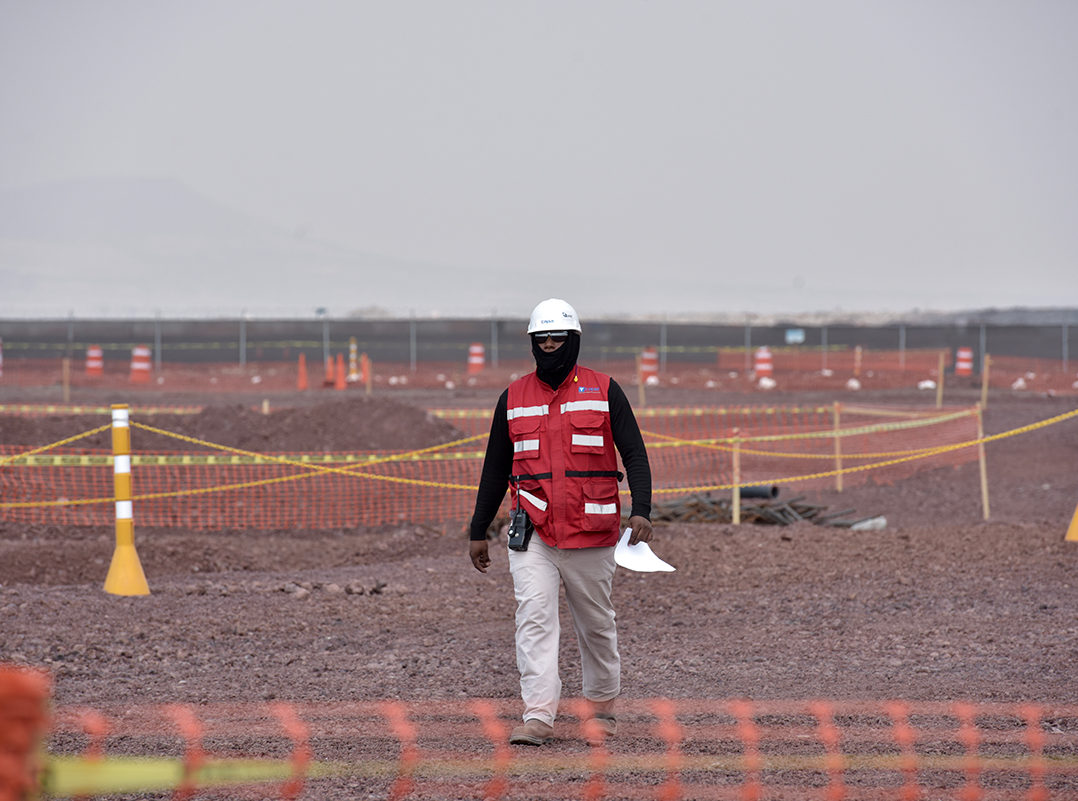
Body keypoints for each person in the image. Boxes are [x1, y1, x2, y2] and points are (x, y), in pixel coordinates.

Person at [468, 298, 653, 746]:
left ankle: (603, 709)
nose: (549, 345)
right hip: (533, 531)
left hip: (592, 534)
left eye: (557, 338)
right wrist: (478, 530)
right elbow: (495, 468)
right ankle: (537, 717)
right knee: (533, 619)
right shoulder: (512, 398)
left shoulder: (605, 390)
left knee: (595, 623)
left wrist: (642, 508)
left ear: (573, 341)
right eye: (541, 339)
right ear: (532, 343)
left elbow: (634, 452)